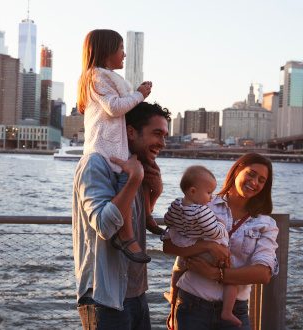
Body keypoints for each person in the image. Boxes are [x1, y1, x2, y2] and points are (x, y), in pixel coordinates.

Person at [72, 102, 170, 329]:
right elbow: (104, 225)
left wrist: (154, 193)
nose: (162, 143)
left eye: (165, 136)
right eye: (157, 134)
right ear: (131, 131)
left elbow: (133, 220)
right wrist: (134, 180)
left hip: (136, 294)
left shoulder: (135, 166)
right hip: (104, 298)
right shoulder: (96, 163)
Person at [163, 153, 279, 330]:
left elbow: (263, 273)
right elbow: (169, 246)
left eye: (262, 180)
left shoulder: (265, 224)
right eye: (251, 173)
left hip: (235, 311)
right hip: (191, 305)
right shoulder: (203, 203)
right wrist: (209, 246)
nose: (255, 182)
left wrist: (216, 274)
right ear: (238, 169)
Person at [77, 29, 161, 264]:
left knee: (144, 178)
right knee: (128, 183)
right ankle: (126, 237)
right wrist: (139, 94)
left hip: (117, 147)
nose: (124, 54)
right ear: (106, 51)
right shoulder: (96, 76)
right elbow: (114, 108)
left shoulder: (105, 77)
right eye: (121, 49)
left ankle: (146, 216)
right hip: (106, 148)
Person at [162, 165, 242, 327]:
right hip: (208, 254)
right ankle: (227, 311)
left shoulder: (176, 204)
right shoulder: (202, 211)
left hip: (187, 250)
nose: (211, 197)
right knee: (232, 279)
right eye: (208, 193)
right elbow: (214, 233)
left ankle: (173, 299)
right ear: (192, 191)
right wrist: (220, 225)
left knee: (177, 271)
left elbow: (167, 219)